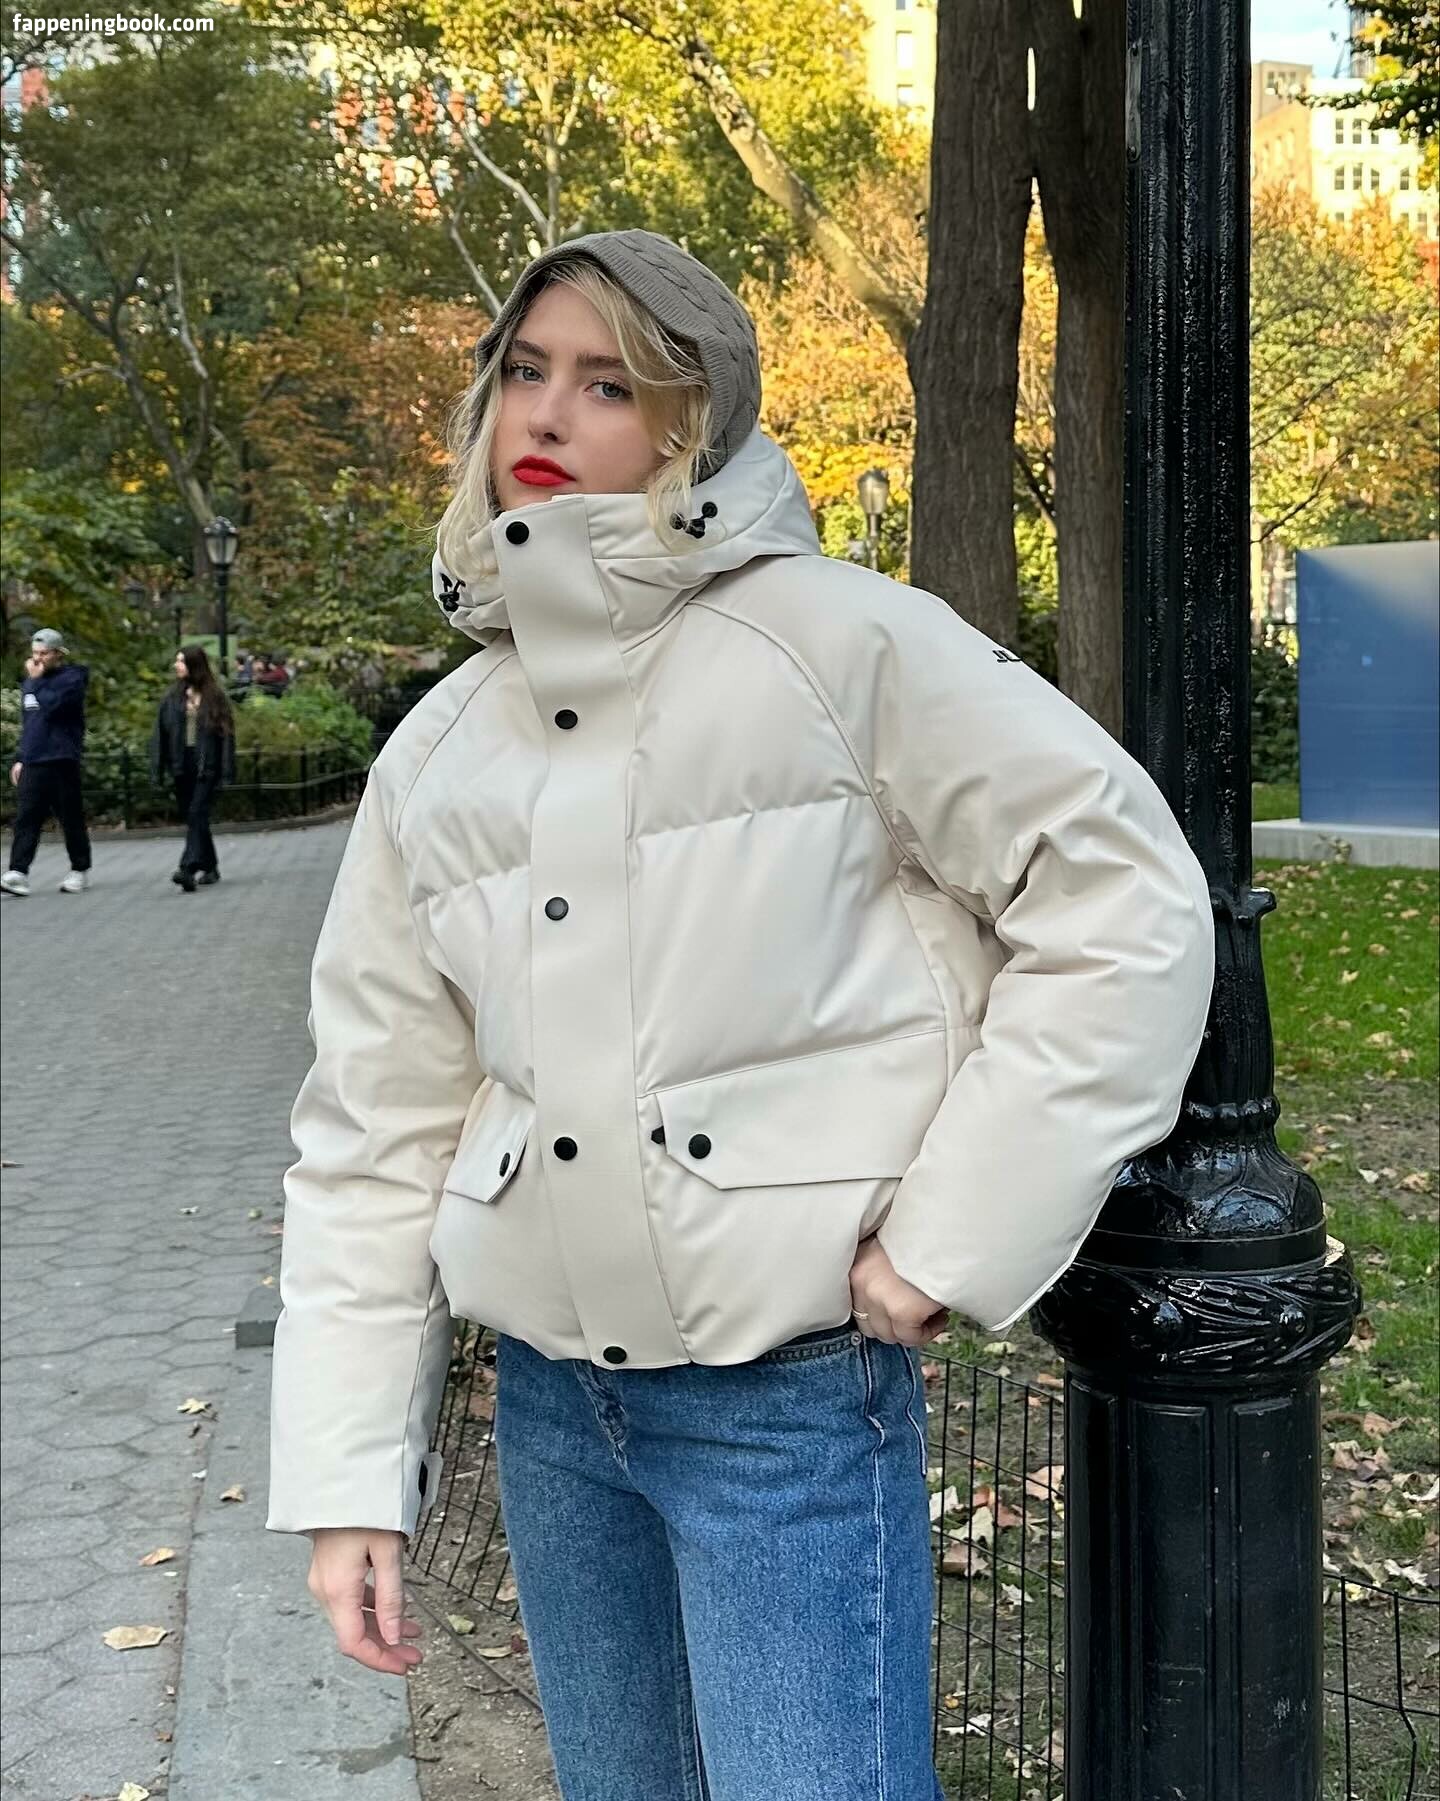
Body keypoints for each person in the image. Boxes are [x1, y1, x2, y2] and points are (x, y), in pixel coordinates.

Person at [266, 232, 1216, 1799]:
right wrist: (350, 1476)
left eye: (608, 384)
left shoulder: (840, 642)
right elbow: (376, 1127)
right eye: (525, 370)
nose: (548, 413)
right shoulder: (437, 753)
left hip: (784, 1406)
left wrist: (951, 1238)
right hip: (552, 1418)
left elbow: (1122, 895)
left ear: (691, 421)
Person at [3, 627, 92, 897]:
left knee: (70, 818)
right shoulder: (32, 682)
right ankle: (18, 871)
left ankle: (79, 868)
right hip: (34, 760)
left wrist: (35, 681)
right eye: (35, 653)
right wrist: (21, 758)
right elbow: (31, 723)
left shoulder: (72, 679)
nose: (38, 659)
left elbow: (52, 707)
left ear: (58, 654)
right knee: (26, 817)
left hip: (62, 759)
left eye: (44, 654)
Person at [151, 645, 236, 891]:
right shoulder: (172, 697)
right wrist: (158, 768)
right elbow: (160, 734)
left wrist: (226, 770)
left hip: (206, 766)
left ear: (194, 665)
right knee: (195, 817)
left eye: (181, 661)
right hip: (181, 765)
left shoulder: (214, 697)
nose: (176, 666)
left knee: (197, 812)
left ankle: (187, 868)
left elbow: (226, 736)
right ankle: (210, 867)